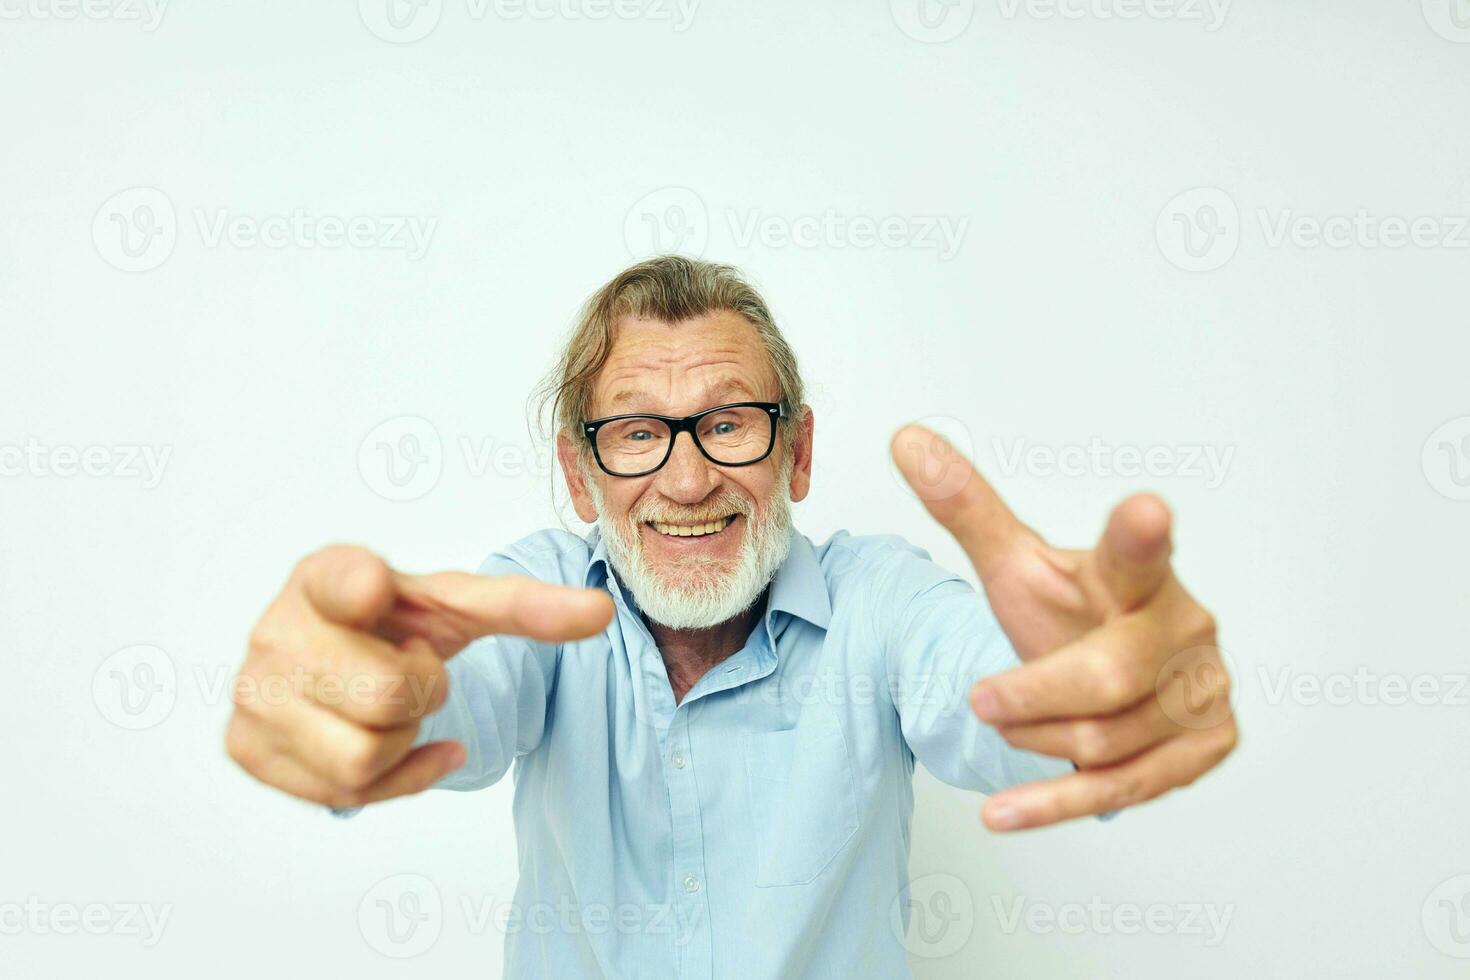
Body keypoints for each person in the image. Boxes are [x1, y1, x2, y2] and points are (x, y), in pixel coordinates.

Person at [226, 255, 1237, 978]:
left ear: (795, 451)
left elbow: (1001, 696)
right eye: (636, 432)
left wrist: (1115, 683)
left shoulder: (882, 602)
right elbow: (445, 690)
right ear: (581, 474)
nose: (689, 473)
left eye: (727, 421)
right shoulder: (535, 601)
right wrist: (357, 693)